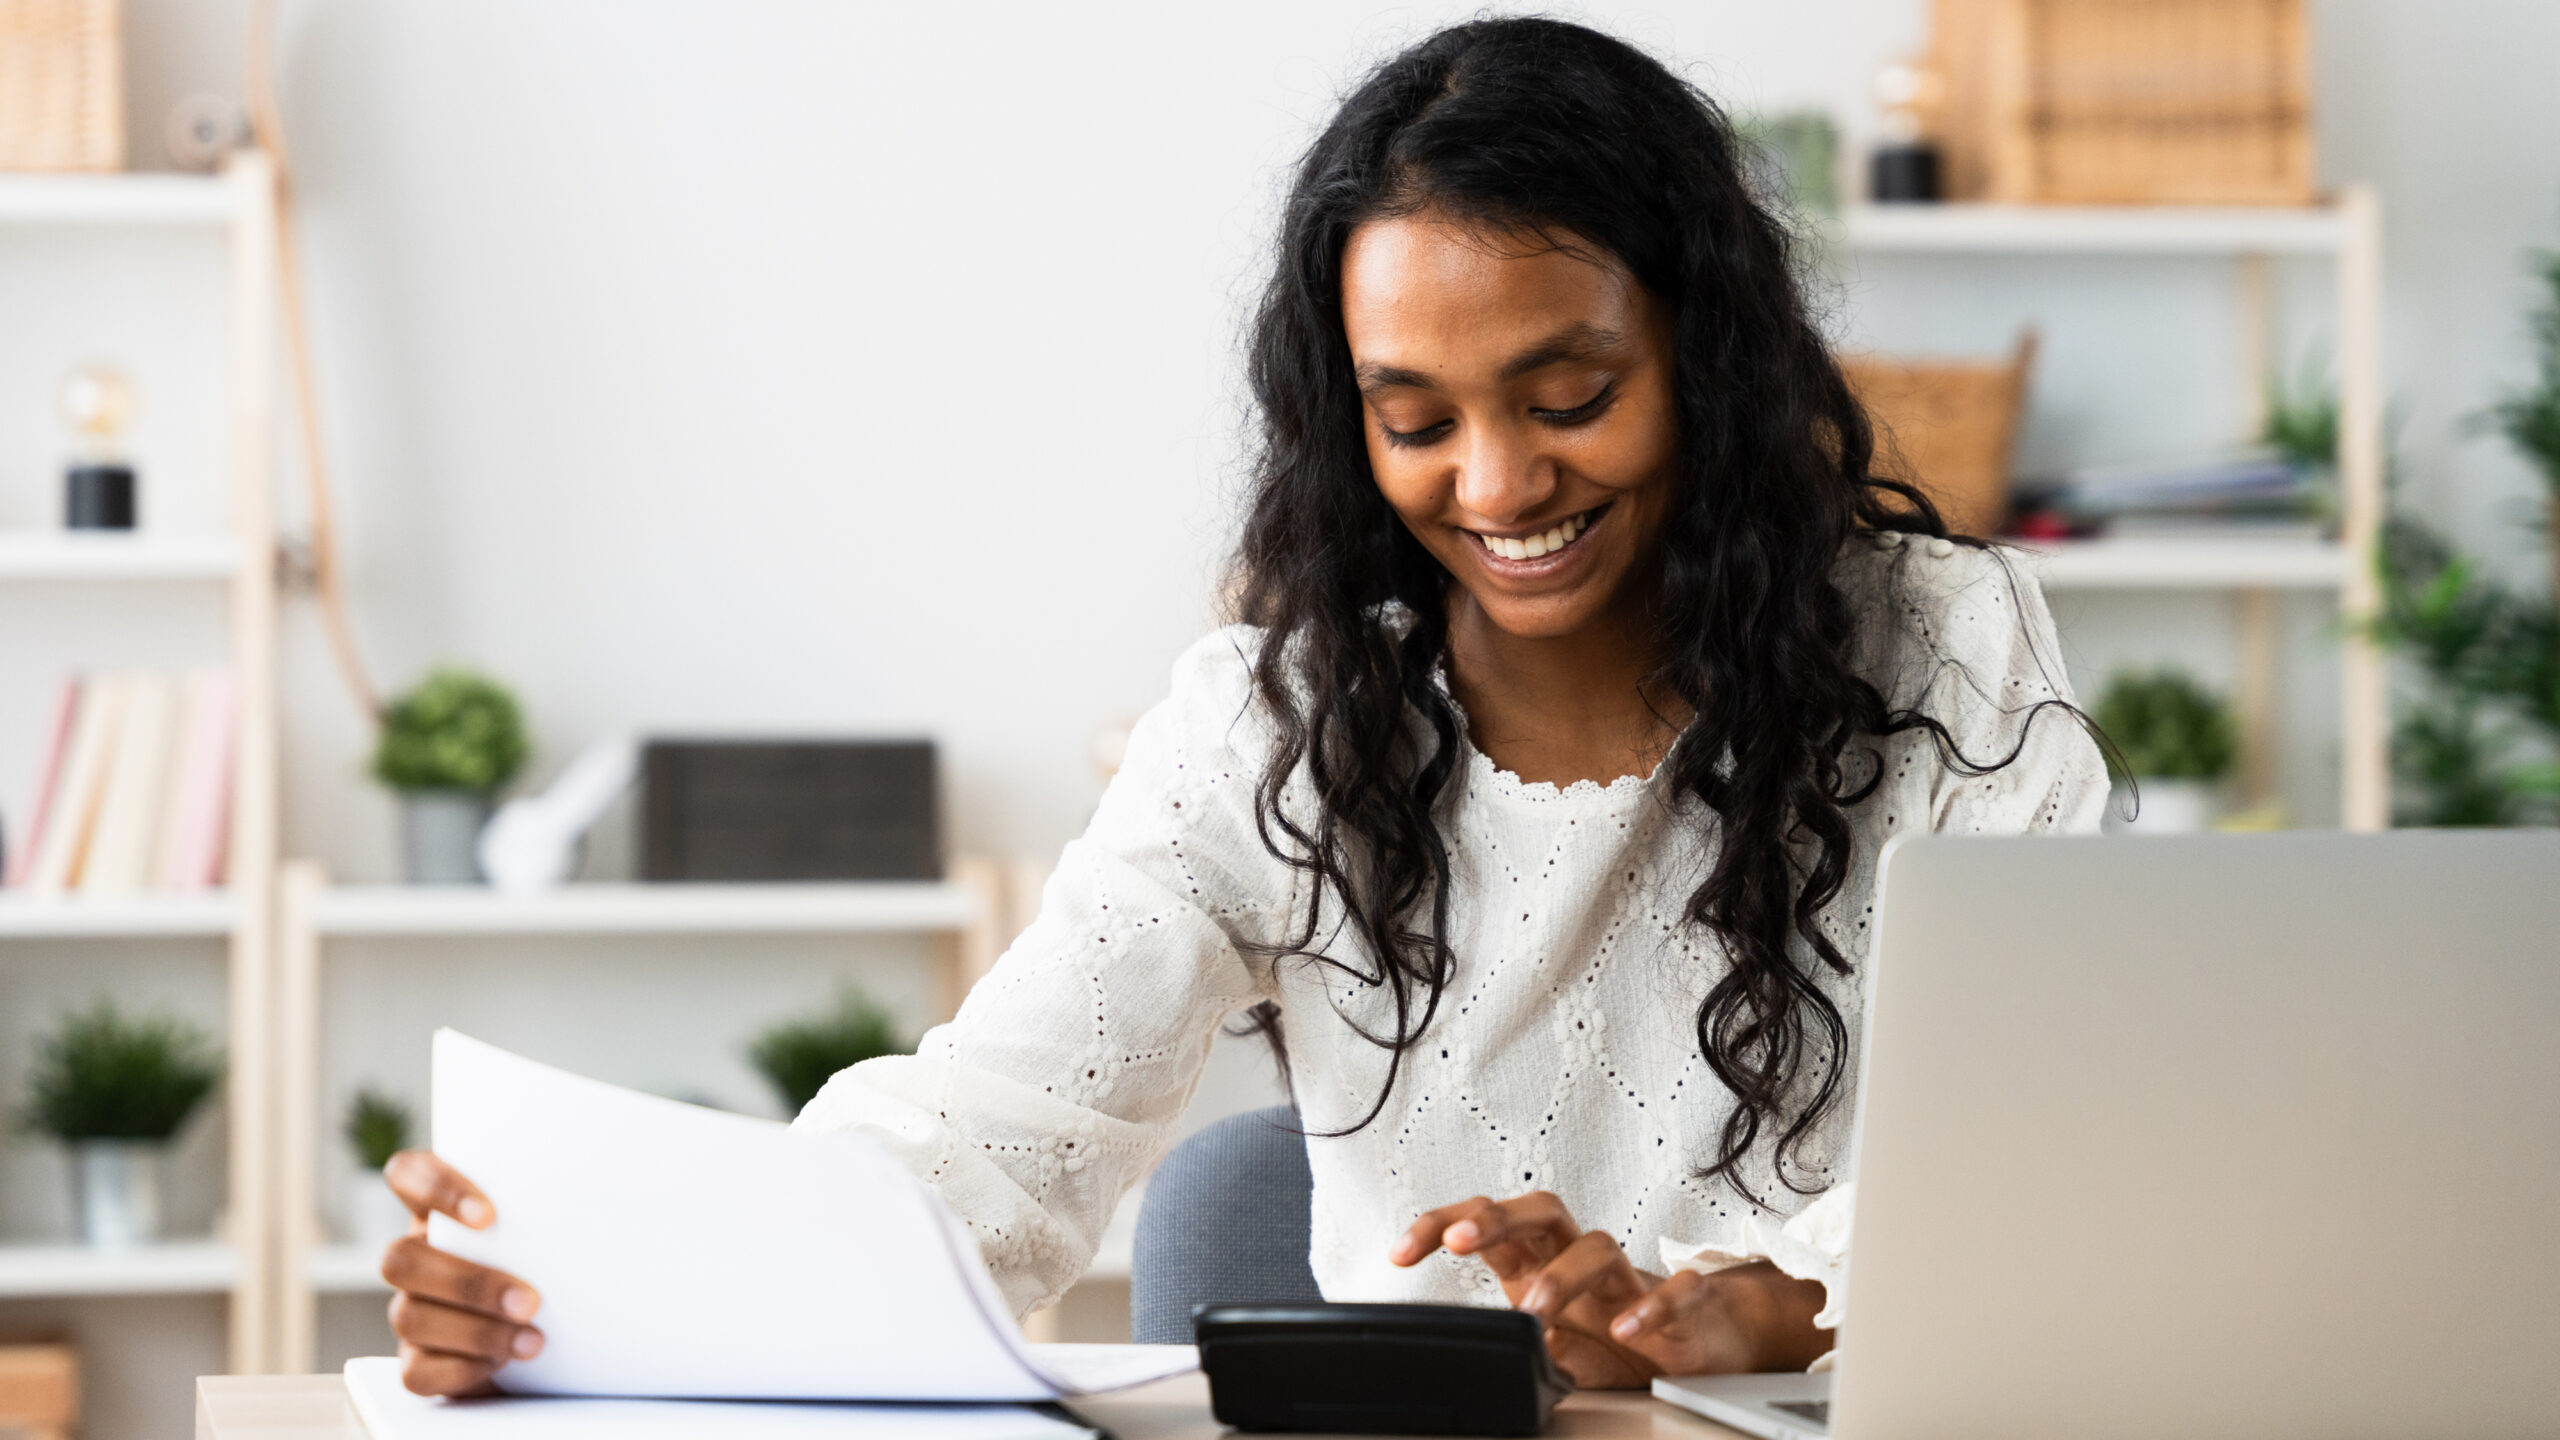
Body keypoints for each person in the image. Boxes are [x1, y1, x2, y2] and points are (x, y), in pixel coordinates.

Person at [378, 17, 2105, 1395]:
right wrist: (580, 1293)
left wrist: (1763, 1310)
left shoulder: (1941, 656)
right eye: (1416, 419)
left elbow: (2070, 1147)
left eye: (1569, 393)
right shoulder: (1278, 723)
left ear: (1705, 362)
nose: (1499, 483)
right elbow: (998, 1133)